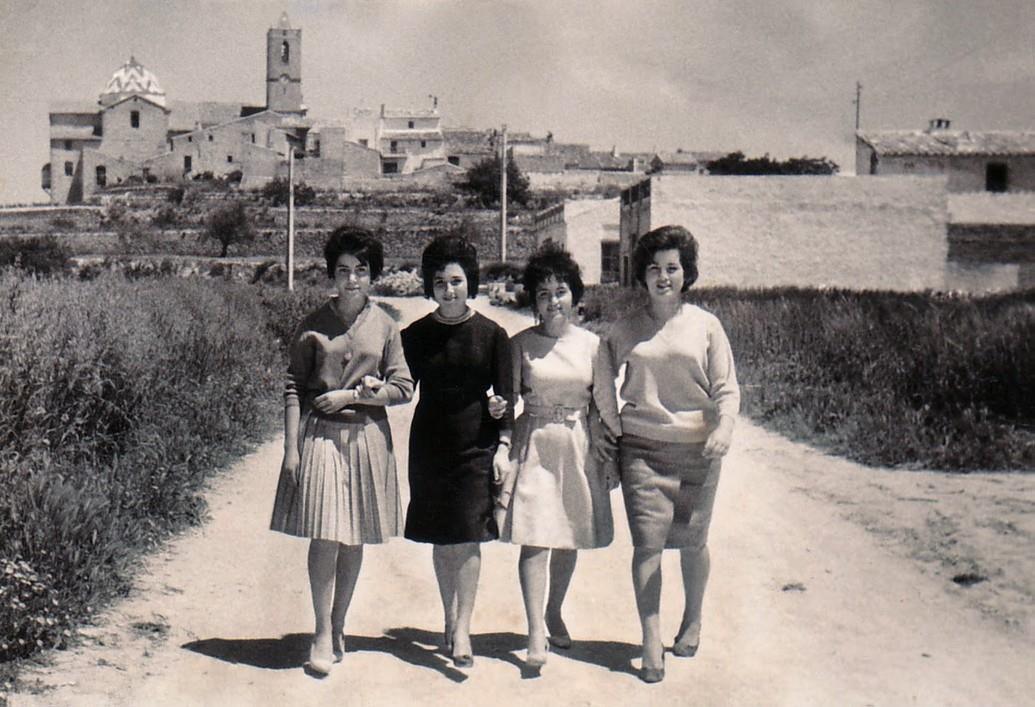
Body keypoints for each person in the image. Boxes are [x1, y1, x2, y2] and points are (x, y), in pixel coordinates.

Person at [596, 225, 740, 684]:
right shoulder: (624, 329)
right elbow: (601, 383)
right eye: (654, 269)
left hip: (699, 452)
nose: (663, 277)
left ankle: (693, 620)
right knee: (647, 546)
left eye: (672, 269)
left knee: (694, 543)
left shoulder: (706, 325)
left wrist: (725, 428)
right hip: (641, 452)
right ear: (642, 275)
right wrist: (614, 429)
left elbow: (727, 389)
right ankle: (650, 635)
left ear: (686, 274)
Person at [269, 227, 414, 676]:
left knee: (353, 534)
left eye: (361, 272)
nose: (352, 280)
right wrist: (291, 449)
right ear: (332, 274)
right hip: (321, 436)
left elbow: (403, 387)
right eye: (343, 271)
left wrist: (357, 397)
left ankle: (339, 622)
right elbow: (294, 385)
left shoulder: (386, 325)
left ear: (372, 276)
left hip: (367, 436)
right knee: (325, 533)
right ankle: (319, 632)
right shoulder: (313, 323)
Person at [498, 243, 616, 671]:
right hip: (533, 445)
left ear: (575, 296)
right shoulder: (519, 345)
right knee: (534, 536)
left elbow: (605, 406)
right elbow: (506, 402)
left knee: (568, 535)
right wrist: (501, 446)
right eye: (543, 293)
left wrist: (611, 457)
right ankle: (533, 632)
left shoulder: (593, 346)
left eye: (560, 291)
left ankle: (554, 611)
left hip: (578, 445)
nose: (553, 301)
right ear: (533, 299)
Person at [400, 235, 514, 669]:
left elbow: (506, 398)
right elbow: (399, 385)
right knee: (442, 537)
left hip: (475, 446)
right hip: (429, 444)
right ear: (430, 286)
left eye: (457, 281)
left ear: (471, 283)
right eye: (441, 282)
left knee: (468, 537)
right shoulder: (415, 335)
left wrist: (503, 433)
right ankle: (448, 615)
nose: (449, 290)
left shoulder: (493, 335)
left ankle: (463, 626)